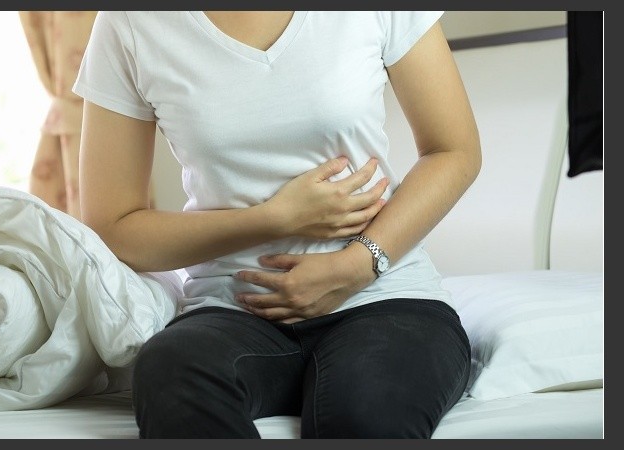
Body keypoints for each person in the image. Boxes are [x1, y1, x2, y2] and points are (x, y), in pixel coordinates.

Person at [72, 11, 481, 438]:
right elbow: (114, 226)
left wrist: (356, 265)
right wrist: (273, 218)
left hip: (384, 297)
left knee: (365, 417)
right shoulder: (131, 21)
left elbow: (454, 150)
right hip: (235, 309)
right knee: (168, 371)